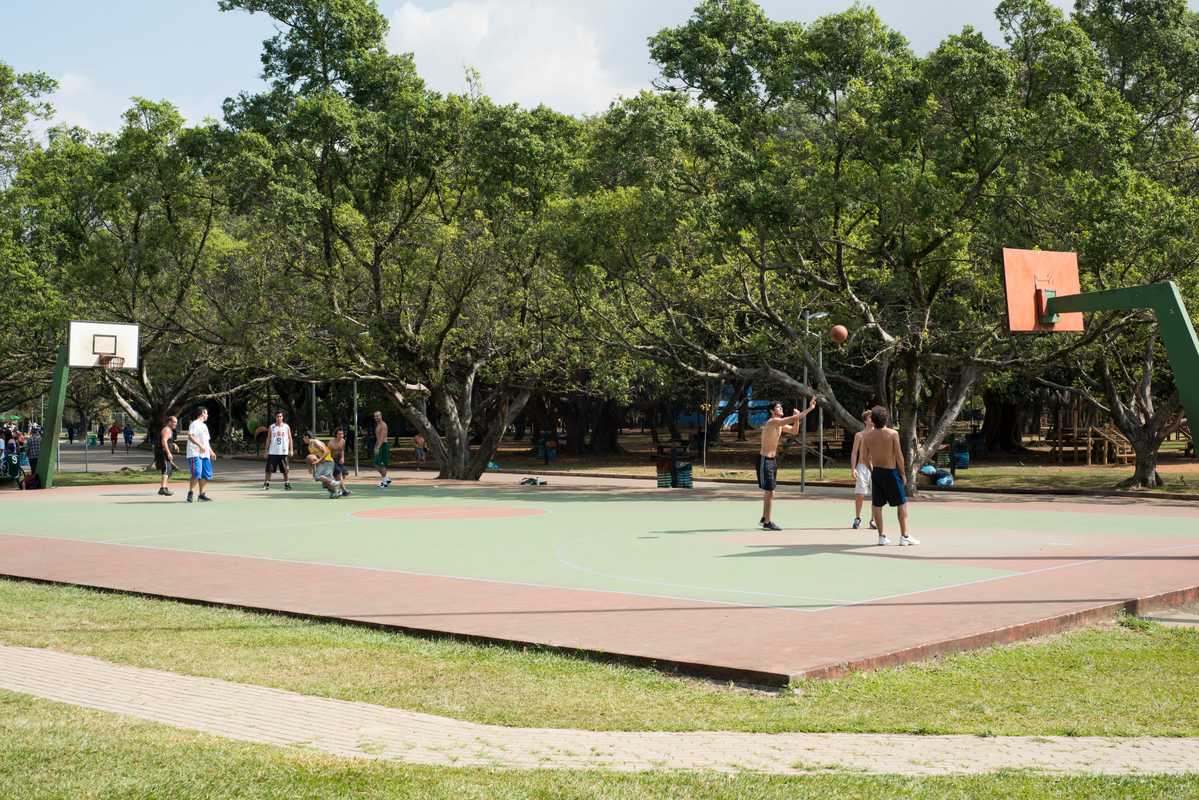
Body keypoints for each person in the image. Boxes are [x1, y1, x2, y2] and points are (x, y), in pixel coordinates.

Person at [860, 405, 919, 546]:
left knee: (877, 505)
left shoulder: (866, 436)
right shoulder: (892, 434)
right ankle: (904, 536)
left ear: (873, 420)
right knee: (902, 504)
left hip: (877, 473)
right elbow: (899, 455)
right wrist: (903, 474)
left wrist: (872, 469)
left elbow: (863, 457)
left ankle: (881, 536)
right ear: (886, 419)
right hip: (891, 472)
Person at [758, 397, 818, 530]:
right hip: (765, 460)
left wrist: (797, 418)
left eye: (781, 407)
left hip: (772, 460)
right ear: (772, 412)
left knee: (770, 490)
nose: (781, 409)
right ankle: (767, 522)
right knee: (770, 491)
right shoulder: (773, 422)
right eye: (778, 408)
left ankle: (764, 517)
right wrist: (809, 409)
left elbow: (794, 431)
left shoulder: (779, 424)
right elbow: (792, 419)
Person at [849, 409, 877, 530]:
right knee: (860, 494)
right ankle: (858, 518)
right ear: (865, 420)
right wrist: (853, 468)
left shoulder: (879, 434)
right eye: (870, 417)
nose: (873, 419)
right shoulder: (859, 435)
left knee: (876, 495)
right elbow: (854, 452)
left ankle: (873, 520)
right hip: (862, 467)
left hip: (876, 467)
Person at [302, 431, 345, 498]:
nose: (303, 439)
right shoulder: (309, 447)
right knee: (324, 483)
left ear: (307, 437)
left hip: (328, 461)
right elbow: (314, 459)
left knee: (318, 477)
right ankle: (336, 492)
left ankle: (334, 483)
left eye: (303, 437)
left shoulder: (315, 442)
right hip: (323, 463)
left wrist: (319, 460)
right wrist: (311, 468)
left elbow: (326, 451)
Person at [185, 407, 216, 503]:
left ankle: (201, 495)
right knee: (197, 473)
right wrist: (200, 445)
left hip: (205, 454)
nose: (207, 415)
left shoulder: (204, 426)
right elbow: (190, 437)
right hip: (195, 453)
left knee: (207, 475)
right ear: (202, 413)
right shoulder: (194, 424)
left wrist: (211, 451)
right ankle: (190, 493)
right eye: (206, 413)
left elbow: (206, 441)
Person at [263, 411, 293, 491]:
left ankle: (287, 484)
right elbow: (268, 439)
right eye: (277, 416)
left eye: (280, 416)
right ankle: (266, 483)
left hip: (283, 452)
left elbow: (290, 438)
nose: (279, 418)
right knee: (269, 470)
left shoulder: (286, 427)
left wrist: (291, 450)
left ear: (282, 417)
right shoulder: (272, 427)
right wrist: (266, 451)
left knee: (285, 470)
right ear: (275, 417)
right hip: (273, 452)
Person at [155, 416, 179, 497]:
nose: (176, 424)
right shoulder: (167, 429)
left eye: (176, 422)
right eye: (174, 422)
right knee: (165, 469)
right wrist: (168, 452)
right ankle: (162, 489)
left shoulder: (169, 430)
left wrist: (174, 444)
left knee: (169, 471)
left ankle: (164, 487)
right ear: (169, 422)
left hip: (164, 452)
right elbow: (164, 441)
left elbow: (168, 441)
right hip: (163, 452)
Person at [328, 427, 352, 494]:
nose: (341, 435)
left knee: (344, 474)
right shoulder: (331, 443)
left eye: (342, 434)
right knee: (339, 474)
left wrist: (342, 458)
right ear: (336, 435)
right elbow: (327, 454)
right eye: (339, 434)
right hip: (331, 460)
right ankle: (344, 490)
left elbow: (342, 450)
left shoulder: (343, 441)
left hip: (339, 459)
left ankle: (336, 485)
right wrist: (330, 462)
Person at [372, 411, 391, 488]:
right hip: (379, 445)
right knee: (376, 464)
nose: (376, 417)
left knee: (381, 464)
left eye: (378, 416)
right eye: (375, 416)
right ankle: (386, 479)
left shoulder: (383, 425)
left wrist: (378, 447)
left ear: (381, 416)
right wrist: (375, 446)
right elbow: (378, 437)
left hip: (383, 446)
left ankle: (385, 483)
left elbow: (382, 437)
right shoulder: (378, 425)